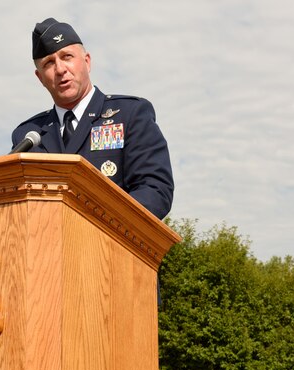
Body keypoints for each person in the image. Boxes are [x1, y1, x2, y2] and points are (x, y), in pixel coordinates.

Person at [11, 17, 174, 220]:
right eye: (49, 63)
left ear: (87, 62)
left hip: (112, 245)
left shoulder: (130, 114)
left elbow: (155, 190)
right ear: (40, 77)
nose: (60, 69)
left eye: (67, 56)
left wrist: (98, 226)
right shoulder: (27, 137)